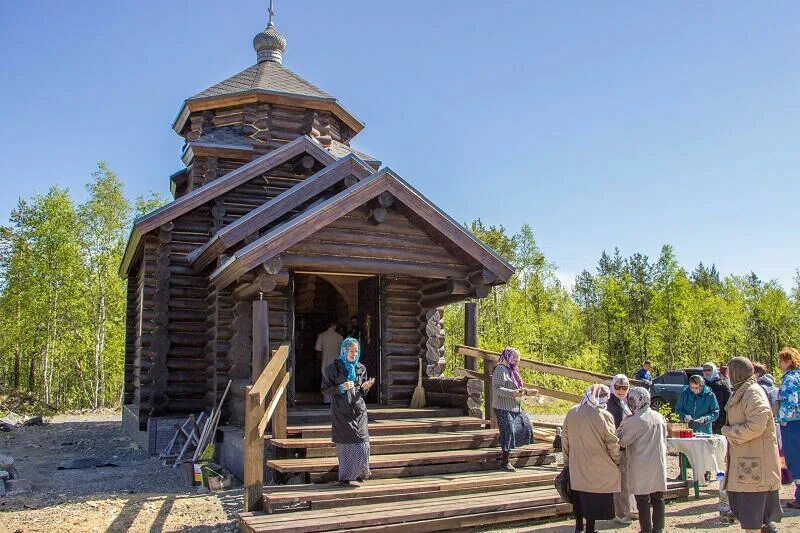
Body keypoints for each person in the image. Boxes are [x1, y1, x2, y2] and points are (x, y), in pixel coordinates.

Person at [722, 356, 782, 532]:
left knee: (753, 520)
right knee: (751, 517)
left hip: (755, 468)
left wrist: (730, 432)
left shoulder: (752, 392)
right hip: (747, 465)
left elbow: (757, 423)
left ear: (735, 373)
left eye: (728, 372)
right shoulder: (743, 390)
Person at [562, 384, 621, 533]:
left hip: (577, 463)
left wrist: (567, 462)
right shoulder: (603, 415)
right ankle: (590, 529)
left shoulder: (572, 412)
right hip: (597, 464)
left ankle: (578, 527)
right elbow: (611, 441)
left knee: (578, 498)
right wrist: (616, 460)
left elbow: (565, 439)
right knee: (592, 499)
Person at [321, 338, 375, 487]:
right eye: (351, 350)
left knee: (363, 442)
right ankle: (345, 477)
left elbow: (362, 392)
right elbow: (325, 389)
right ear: (344, 350)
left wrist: (365, 387)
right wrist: (340, 388)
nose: (354, 353)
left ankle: (361, 472)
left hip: (359, 410)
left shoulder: (360, 368)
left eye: (356, 351)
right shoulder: (333, 368)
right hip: (341, 410)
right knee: (345, 445)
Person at [618, 386, 668, 533]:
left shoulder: (635, 420)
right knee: (658, 497)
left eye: (633, 400)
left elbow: (622, 441)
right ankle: (658, 528)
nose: (632, 404)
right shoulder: (659, 417)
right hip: (658, 462)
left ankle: (646, 529)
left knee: (643, 499)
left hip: (641, 464)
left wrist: (623, 425)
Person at [492, 347, 536, 471]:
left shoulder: (513, 371)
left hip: (515, 407)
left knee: (526, 426)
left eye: (518, 359)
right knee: (509, 430)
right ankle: (505, 461)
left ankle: (506, 444)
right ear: (508, 358)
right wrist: (513, 393)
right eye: (515, 358)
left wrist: (527, 392)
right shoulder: (500, 370)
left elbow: (518, 390)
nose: (517, 361)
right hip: (502, 406)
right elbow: (497, 389)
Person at [607, 374, 636, 524]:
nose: (620, 390)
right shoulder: (610, 403)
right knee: (621, 482)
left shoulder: (627, 402)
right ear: (613, 386)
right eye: (617, 387)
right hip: (617, 446)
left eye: (624, 387)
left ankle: (629, 508)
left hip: (628, 445)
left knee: (628, 480)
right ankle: (621, 513)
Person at [777, 347, 800, 509]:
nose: (780, 363)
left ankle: (799, 498)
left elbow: (791, 402)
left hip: (792, 424)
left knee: (795, 460)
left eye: (782, 360)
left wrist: (780, 419)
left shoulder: (791, 378)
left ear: (789, 361)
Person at [315, 320, 343, 403]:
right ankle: (335, 399)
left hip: (325, 360)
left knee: (326, 378)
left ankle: (326, 399)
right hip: (336, 361)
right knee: (336, 379)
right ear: (335, 326)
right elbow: (343, 351)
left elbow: (318, 349)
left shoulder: (322, 335)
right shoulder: (339, 337)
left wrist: (318, 361)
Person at [702, 362, 732, 434]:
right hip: (704, 419)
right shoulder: (701, 384)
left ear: (714, 370)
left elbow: (729, 401)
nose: (707, 372)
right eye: (704, 370)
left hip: (720, 419)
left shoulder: (722, 384)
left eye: (709, 370)